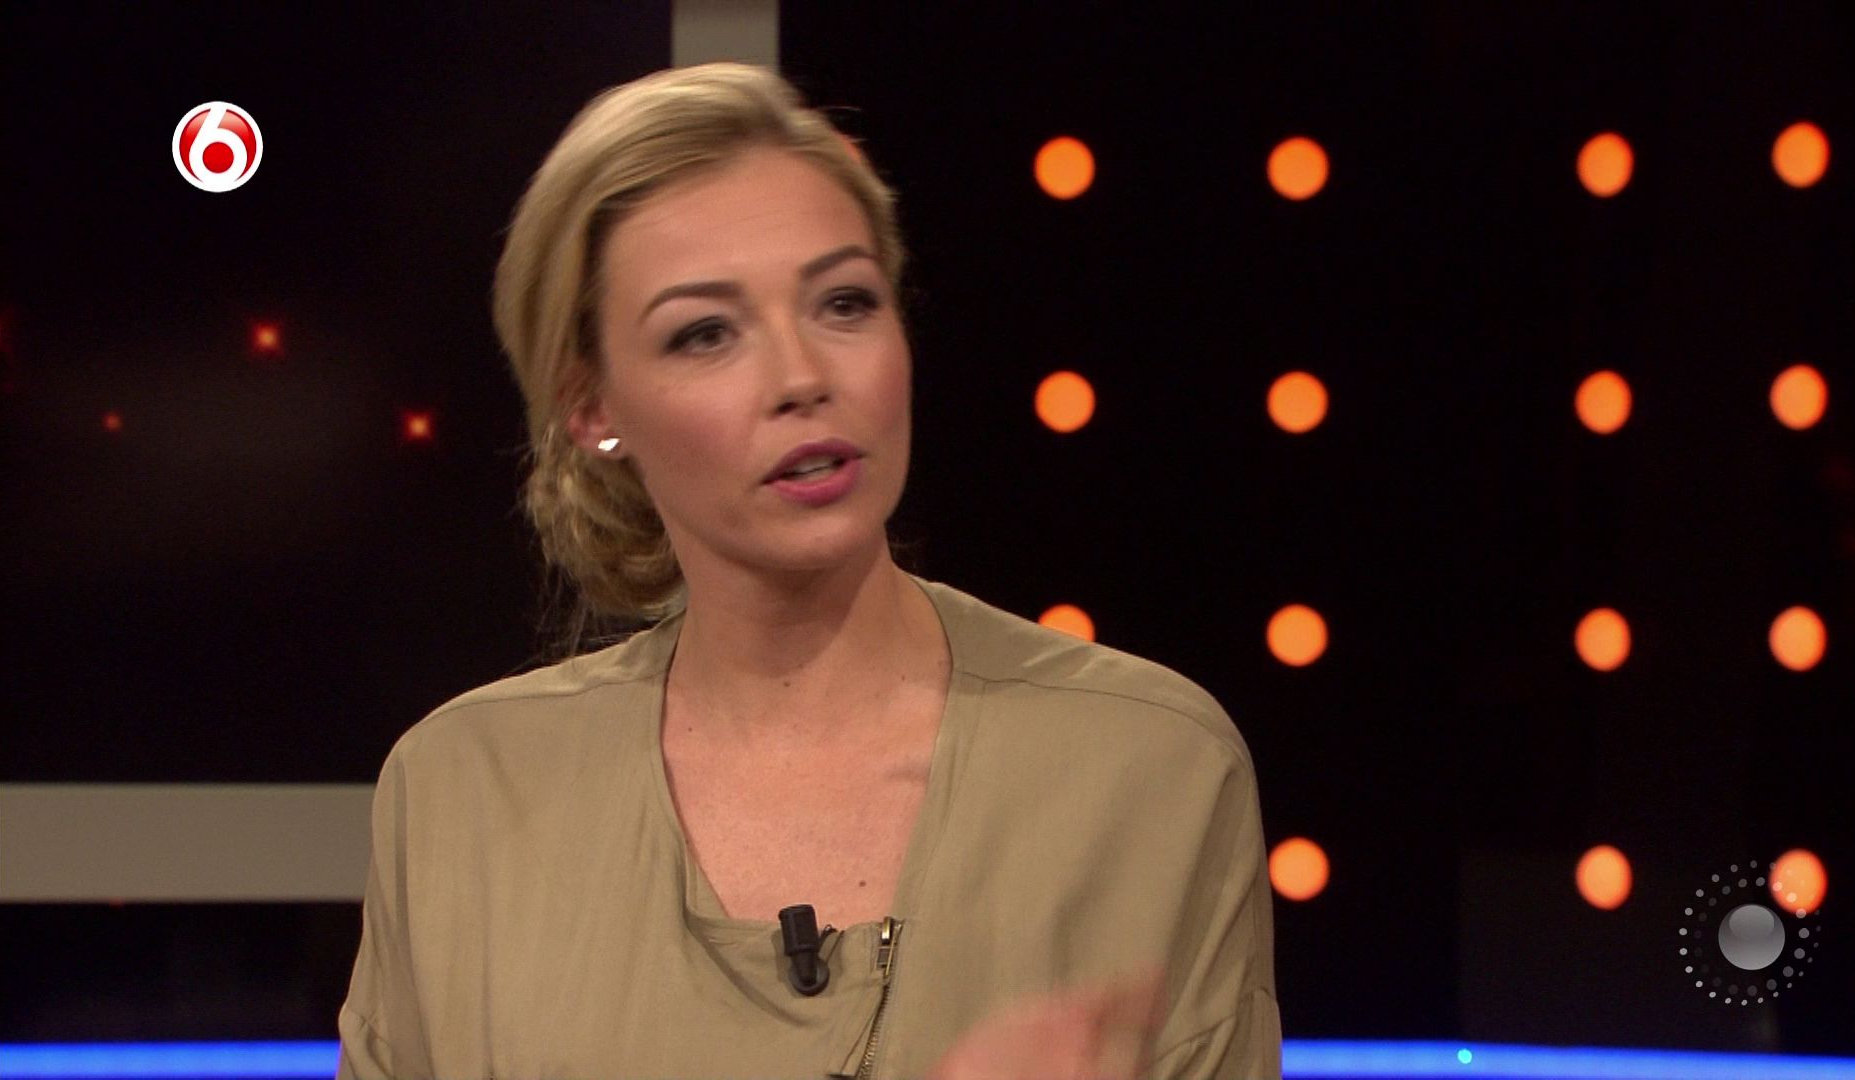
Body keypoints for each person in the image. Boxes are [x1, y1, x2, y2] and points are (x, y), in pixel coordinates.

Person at [337, 62, 1281, 1079]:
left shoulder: (1150, 771)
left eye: (844, 303)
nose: (802, 377)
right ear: (593, 407)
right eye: (706, 333)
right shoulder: (462, 795)